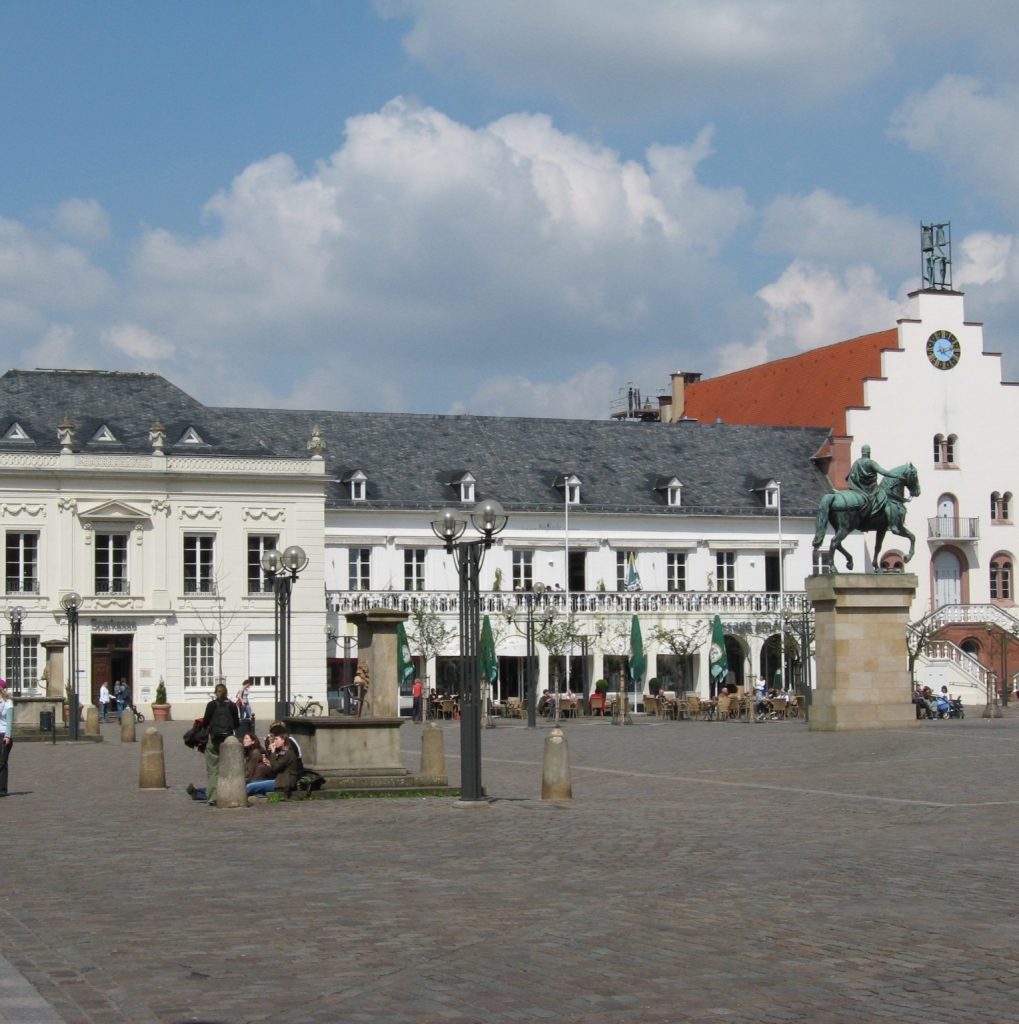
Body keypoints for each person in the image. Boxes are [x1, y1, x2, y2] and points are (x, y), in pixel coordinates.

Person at [200, 683, 240, 806]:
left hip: (214, 739)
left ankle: (213, 797)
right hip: (228, 740)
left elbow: (205, 722)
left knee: (213, 769)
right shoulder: (232, 706)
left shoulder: (211, 705)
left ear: (215, 693)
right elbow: (237, 724)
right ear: (226, 693)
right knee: (229, 768)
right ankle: (229, 794)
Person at [847, 444, 893, 518]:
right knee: (882, 496)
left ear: (862, 452)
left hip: (857, 487)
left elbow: (851, 476)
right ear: (869, 453)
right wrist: (895, 475)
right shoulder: (871, 463)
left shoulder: (856, 462)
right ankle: (874, 511)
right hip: (870, 489)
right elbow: (883, 472)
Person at [0, 683, 13, 796]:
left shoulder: (8, 702)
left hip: (4, 734)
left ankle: (2, 789)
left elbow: (9, 720)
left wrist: (7, 736)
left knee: (2, 762)